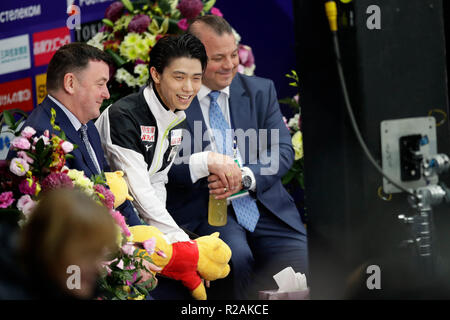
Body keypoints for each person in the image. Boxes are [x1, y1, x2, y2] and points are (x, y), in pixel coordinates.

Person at [165, 15, 309, 299]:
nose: (230, 64)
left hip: (264, 207)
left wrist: (244, 179)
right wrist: (204, 166)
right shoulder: (173, 97)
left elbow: (282, 149)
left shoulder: (259, 90)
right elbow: (163, 165)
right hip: (205, 210)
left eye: (233, 54)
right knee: (233, 261)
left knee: (301, 258)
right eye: (219, 58)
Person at [95, 34, 208, 299]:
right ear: (155, 74)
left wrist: (170, 241)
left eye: (197, 78)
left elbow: (157, 180)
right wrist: (179, 244)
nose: (189, 88)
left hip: (144, 228)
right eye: (179, 77)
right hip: (107, 233)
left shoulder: (175, 114)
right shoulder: (124, 116)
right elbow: (139, 192)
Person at [13, 43, 142, 226]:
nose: (106, 94)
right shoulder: (42, 138)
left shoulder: (87, 125)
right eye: (100, 84)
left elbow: (112, 192)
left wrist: (143, 235)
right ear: (70, 83)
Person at [0, 188, 118, 299]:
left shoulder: (65, 284)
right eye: (88, 253)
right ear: (51, 245)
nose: (98, 268)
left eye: (99, 254)